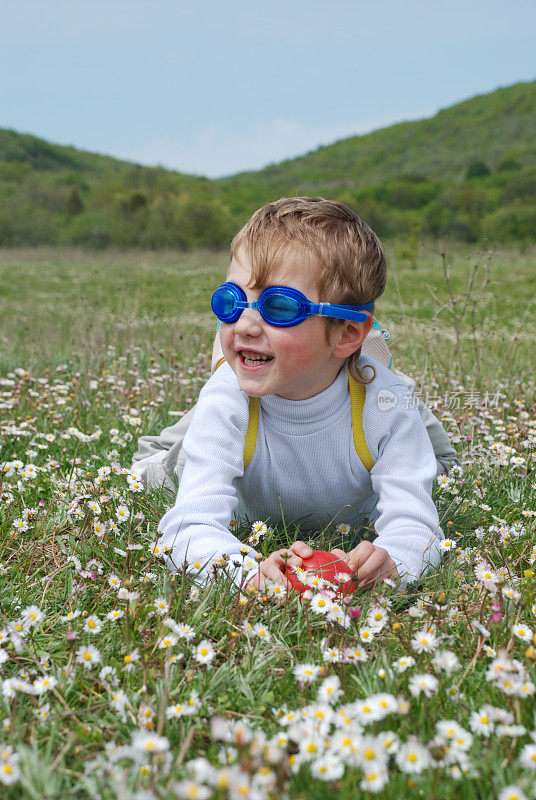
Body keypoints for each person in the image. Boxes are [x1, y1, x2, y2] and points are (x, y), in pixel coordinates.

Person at [150, 197, 456, 592]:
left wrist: (396, 560)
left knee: (423, 438)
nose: (243, 324)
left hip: (364, 388)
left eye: (278, 306)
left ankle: (375, 355)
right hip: (245, 402)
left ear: (346, 333)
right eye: (231, 301)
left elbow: (416, 525)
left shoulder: (386, 406)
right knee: (169, 467)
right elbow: (190, 525)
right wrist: (244, 573)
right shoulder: (227, 399)